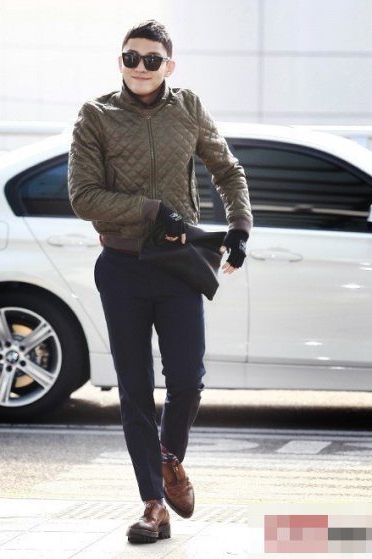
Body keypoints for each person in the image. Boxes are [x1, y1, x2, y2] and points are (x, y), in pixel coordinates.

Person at [68, 20, 252, 544]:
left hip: (177, 266)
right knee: (133, 389)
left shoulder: (187, 107)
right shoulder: (95, 115)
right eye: (131, 57)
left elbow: (228, 170)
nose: (141, 67)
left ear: (169, 65)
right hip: (122, 266)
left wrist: (239, 226)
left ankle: (169, 459)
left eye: (152, 59)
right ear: (120, 61)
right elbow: (83, 196)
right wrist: (152, 210)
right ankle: (153, 504)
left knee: (187, 380)